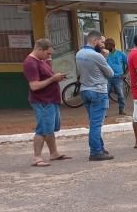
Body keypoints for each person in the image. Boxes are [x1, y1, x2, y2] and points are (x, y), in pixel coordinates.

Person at [22, 39, 72, 167]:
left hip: (51, 100)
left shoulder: (40, 60)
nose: (49, 56)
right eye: (47, 53)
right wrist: (53, 79)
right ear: (39, 49)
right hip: (42, 101)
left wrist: (56, 77)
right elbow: (34, 86)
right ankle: (37, 157)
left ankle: (54, 153)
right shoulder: (30, 63)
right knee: (43, 129)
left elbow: (47, 77)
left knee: (49, 129)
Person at [76, 30, 114, 161]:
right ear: (94, 41)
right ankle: (96, 151)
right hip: (98, 91)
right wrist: (105, 57)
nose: (103, 45)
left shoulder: (79, 53)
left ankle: (100, 147)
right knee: (96, 124)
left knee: (93, 122)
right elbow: (110, 73)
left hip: (85, 89)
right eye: (101, 42)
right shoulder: (96, 55)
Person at [105, 38, 128, 116]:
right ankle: (104, 112)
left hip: (118, 78)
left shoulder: (120, 54)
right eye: (106, 46)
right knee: (105, 95)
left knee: (120, 94)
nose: (106, 47)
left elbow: (128, 64)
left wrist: (125, 74)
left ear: (113, 46)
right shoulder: (105, 54)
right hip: (107, 78)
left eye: (108, 46)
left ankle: (121, 110)